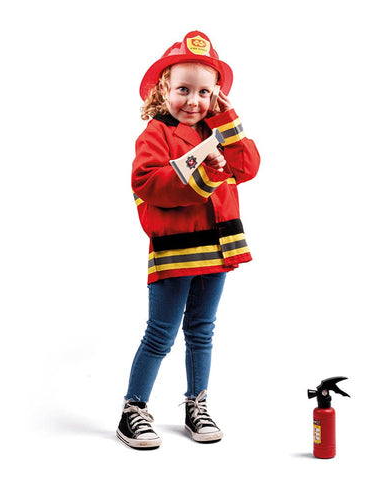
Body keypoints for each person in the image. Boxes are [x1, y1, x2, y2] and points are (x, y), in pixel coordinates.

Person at [117, 31, 261, 450]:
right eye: (183, 89)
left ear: (217, 94)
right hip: (176, 253)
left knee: (201, 331)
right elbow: (149, 182)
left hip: (216, 252)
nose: (192, 101)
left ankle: (195, 404)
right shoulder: (155, 134)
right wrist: (202, 175)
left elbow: (247, 166)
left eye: (203, 91)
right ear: (165, 88)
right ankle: (133, 409)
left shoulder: (217, 131)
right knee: (160, 334)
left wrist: (228, 123)